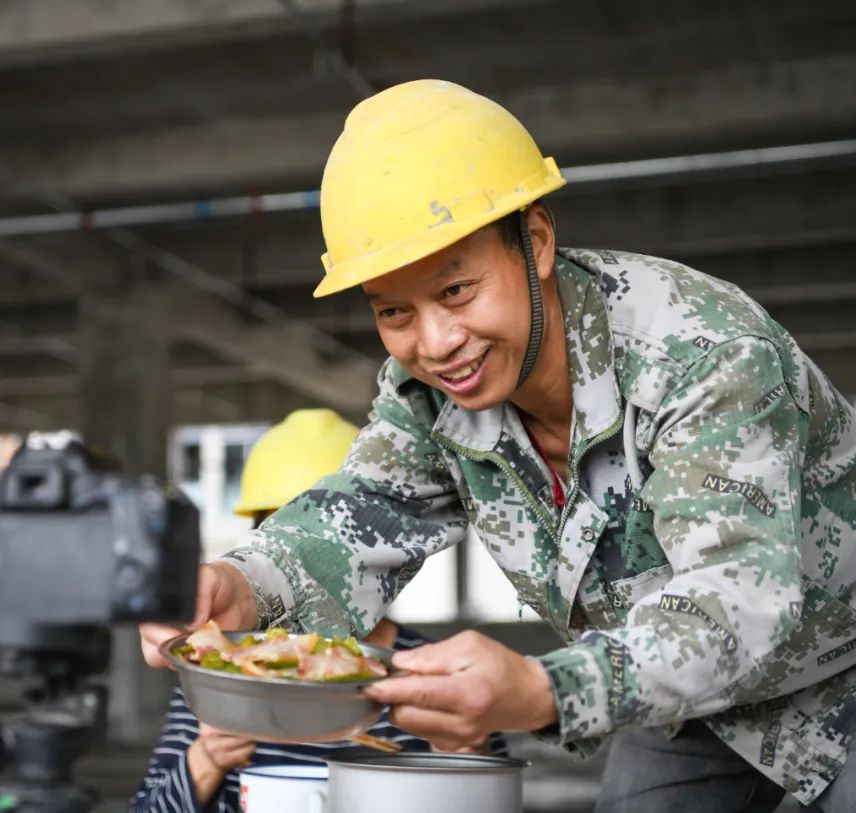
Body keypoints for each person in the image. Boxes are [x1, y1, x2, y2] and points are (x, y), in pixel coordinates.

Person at [140, 80, 856, 812]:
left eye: (456, 291)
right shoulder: (426, 396)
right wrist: (244, 584)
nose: (436, 343)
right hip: (682, 694)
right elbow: (363, 512)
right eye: (394, 310)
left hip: (840, 665)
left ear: (536, 242)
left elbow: (740, 595)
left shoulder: (700, 350)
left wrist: (547, 688)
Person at [130, 408, 508, 813]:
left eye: (329, 542)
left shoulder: (432, 672)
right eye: (277, 533)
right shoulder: (221, 675)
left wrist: (465, 758)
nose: (305, 559)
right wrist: (207, 758)